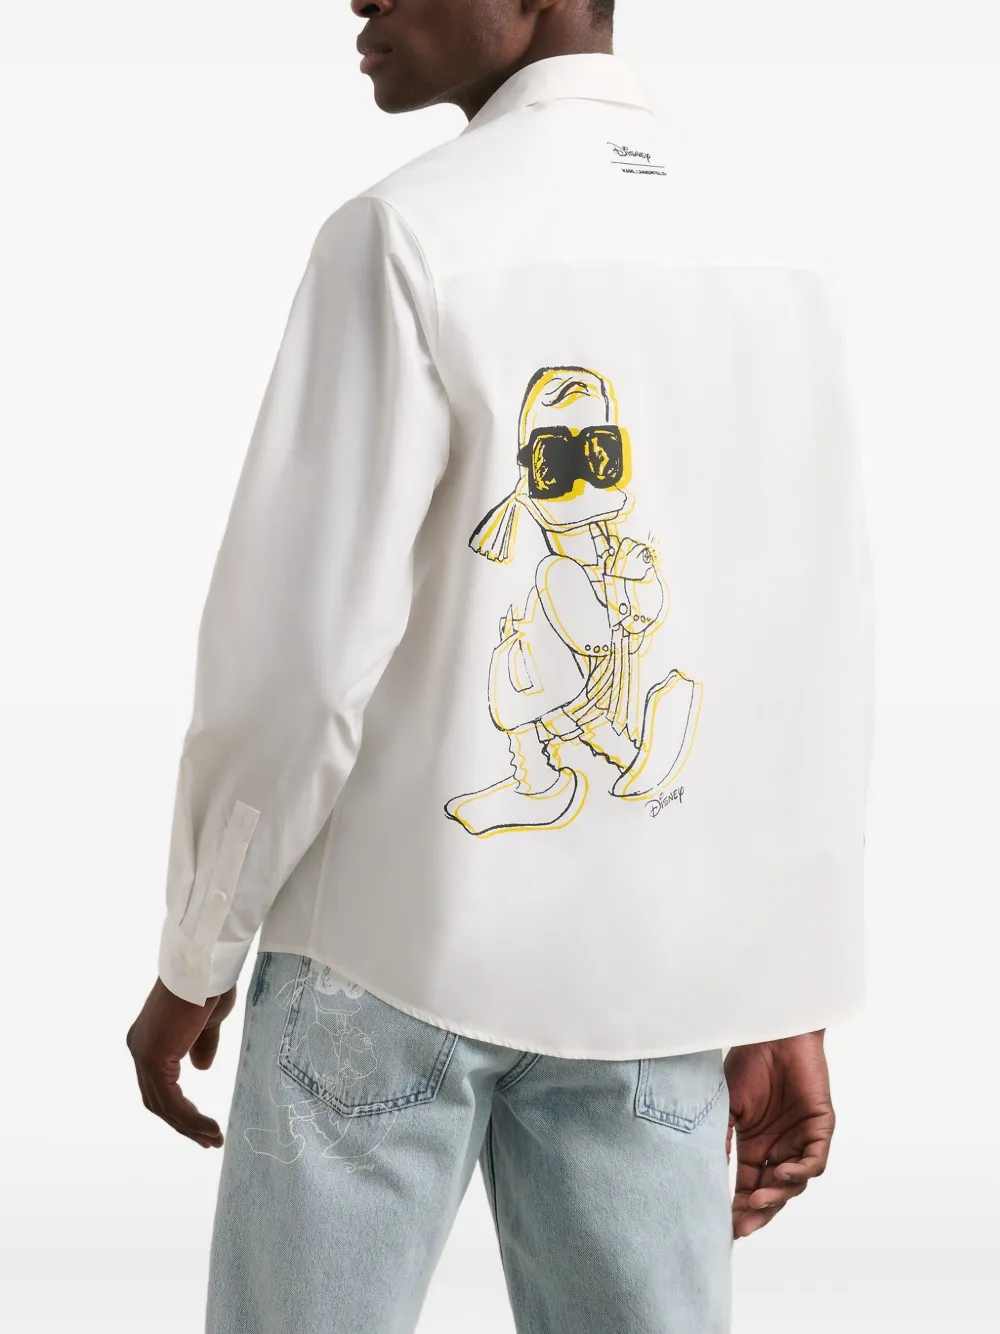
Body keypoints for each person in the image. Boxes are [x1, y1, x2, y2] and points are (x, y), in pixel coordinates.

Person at [126, 2, 874, 1331]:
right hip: (659, 975)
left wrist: (200, 944)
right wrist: (781, 987)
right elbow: (802, 654)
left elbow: (300, 659)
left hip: (384, 955)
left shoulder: (406, 237)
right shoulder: (781, 262)